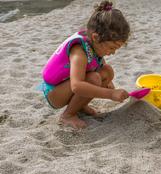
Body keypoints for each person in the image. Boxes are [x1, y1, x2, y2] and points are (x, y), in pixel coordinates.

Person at [40, 1, 130, 129]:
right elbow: (76, 86)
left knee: (107, 71)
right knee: (94, 78)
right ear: (95, 37)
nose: (113, 52)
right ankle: (68, 115)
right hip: (54, 93)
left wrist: (108, 82)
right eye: (111, 47)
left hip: (66, 86)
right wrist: (110, 94)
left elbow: (98, 61)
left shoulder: (95, 43)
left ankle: (80, 106)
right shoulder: (79, 52)